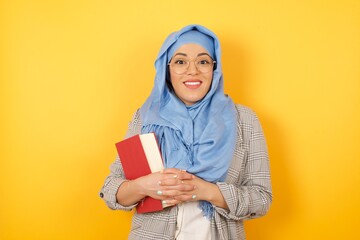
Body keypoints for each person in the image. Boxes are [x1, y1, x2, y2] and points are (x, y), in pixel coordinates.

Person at [99, 24, 272, 240]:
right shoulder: (145, 117)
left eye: (203, 61)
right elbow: (110, 190)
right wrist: (143, 186)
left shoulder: (244, 120)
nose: (193, 70)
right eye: (180, 61)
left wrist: (206, 191)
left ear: (214, 69)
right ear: (167, 69)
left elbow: (262, 199)